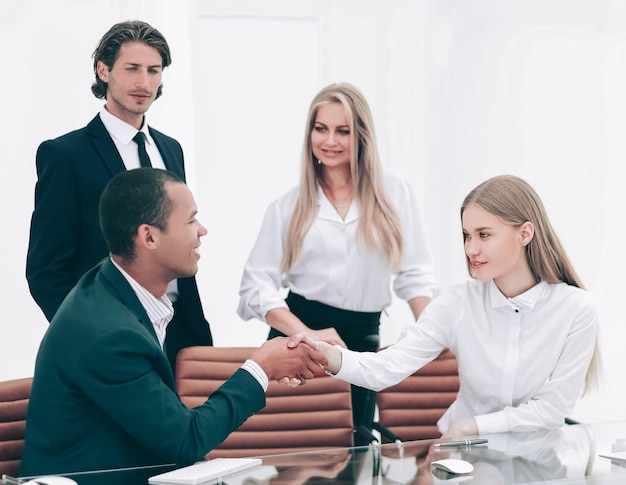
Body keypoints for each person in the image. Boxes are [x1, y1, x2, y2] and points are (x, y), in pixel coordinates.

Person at [19, 168, 327, 477]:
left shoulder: (112, 286)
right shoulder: (111, 336)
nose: (202, 230)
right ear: (149, 236)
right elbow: (184, 440)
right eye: (191, 220)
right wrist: (262, 367)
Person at [292, 174, 600, 438]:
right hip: (463, 457)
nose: (471, 248)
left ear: (525, 233)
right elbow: (387, 368)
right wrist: (328, 355)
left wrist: (473, 425)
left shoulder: (576, 309)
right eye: (467, 235)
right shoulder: (457, 303)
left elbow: (551, 411)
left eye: (484, 235)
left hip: (536, 461)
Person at [237, 83, 437, 441]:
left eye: (343, 130)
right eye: (321, 128)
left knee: (353, 451)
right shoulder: (287, 205)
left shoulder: (395, 192)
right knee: (288, 453)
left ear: (361, 135)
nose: (330, 140)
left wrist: (434, 332)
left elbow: (416, 275)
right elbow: (255, 286)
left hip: (360, 342)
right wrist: (307, 334)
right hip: (298, 337)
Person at [25, 20, 211, 371]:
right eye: (132, 69)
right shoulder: (65, 155)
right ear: (104, 70)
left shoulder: (171, 150)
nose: (144, 83)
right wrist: (88, 334)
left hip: (181, 333)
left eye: (154, 70)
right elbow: (45, 269)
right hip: (107, 333)